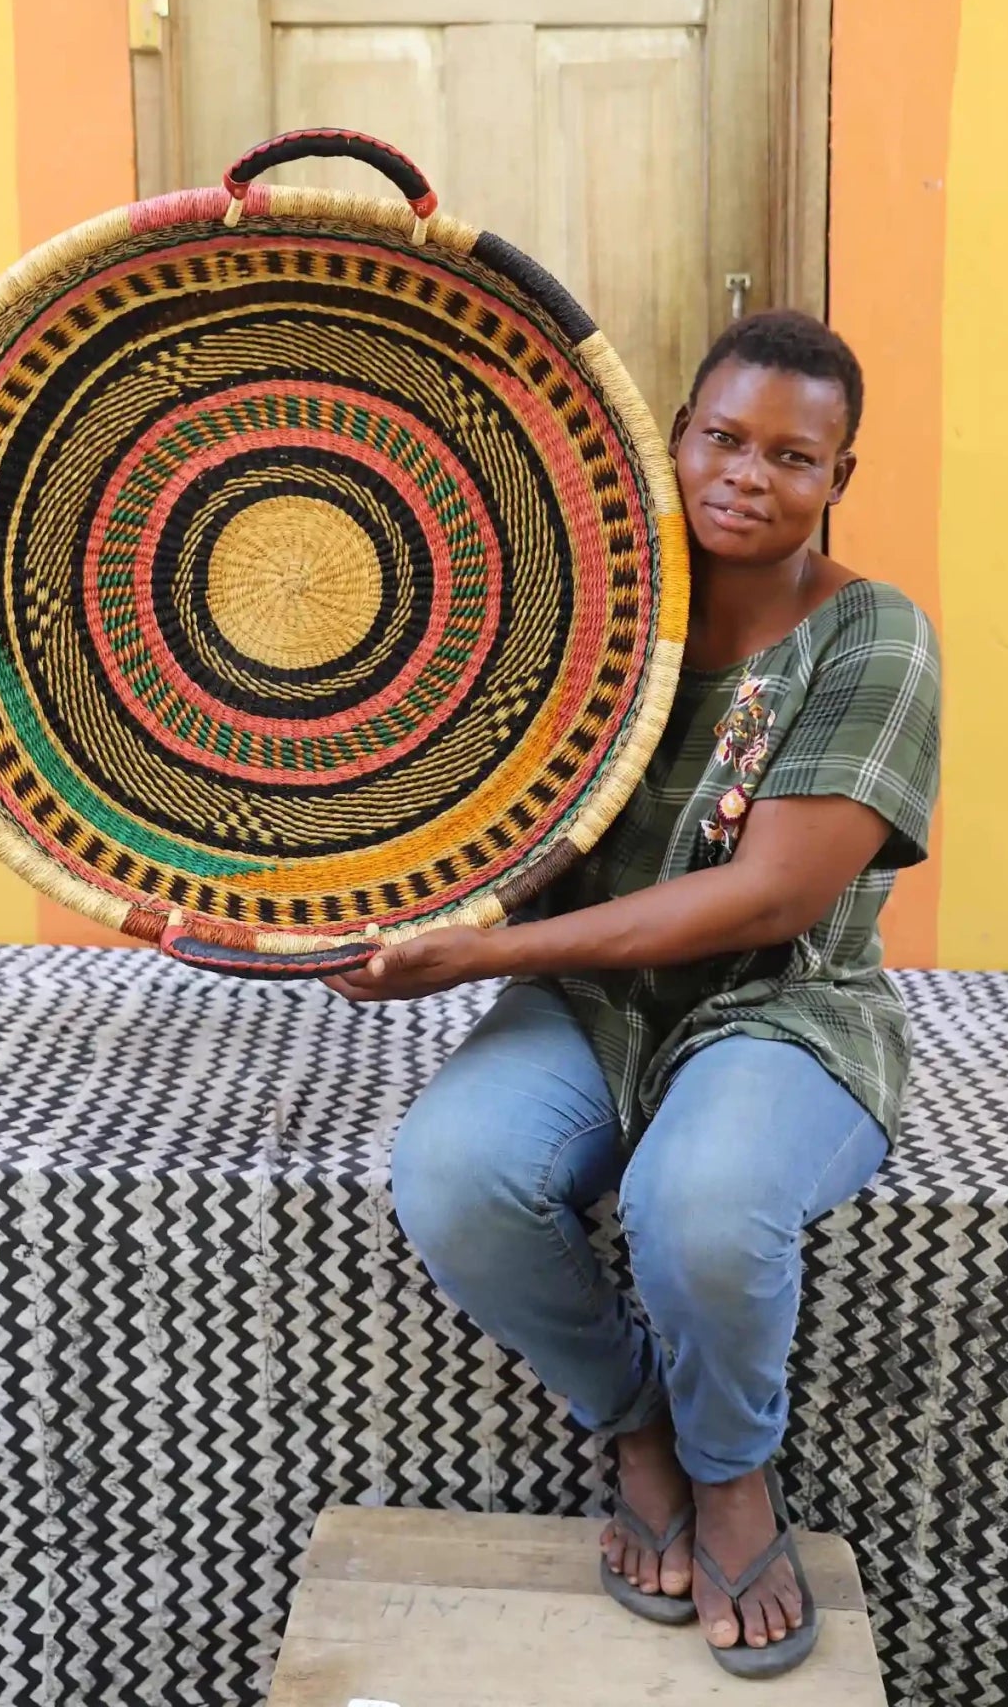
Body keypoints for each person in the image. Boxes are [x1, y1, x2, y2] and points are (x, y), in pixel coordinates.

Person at [322, 310, 941, 1679]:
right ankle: (639, 1424)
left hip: (782, 1009)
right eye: (722, 437)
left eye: (793, 456)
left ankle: (731, 1470)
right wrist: (344, 907)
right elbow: (453, 788)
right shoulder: (593, 616)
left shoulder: (873, 639)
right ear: (674, 439)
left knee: (701, 1205)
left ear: (838, 476)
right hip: (590, 1008)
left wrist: (470, 958)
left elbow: (771, 899)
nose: (747, 475)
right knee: (453, 1176)